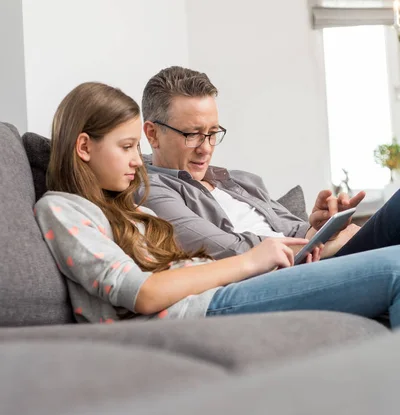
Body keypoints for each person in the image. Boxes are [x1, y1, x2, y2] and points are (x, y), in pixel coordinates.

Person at [35, 82, 400, 329]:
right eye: (126, 147)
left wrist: (309, 235)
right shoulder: (63, 208)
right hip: (206, 307)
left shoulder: (128, 210)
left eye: (135, 148)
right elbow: (143, 293)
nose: (137, 160)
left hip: (238, 288)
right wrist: (249, 262)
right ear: (84, 147)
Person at [140, 66, 400, 261]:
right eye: (192, 134)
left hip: (317, 258)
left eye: (212, 133)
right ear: (152, 134)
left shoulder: (238, 181)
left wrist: (321, 227)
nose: (206, 147)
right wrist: (329, 245)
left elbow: (296, 230)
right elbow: (231, 251)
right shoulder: (151, 189)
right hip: (293, 272)